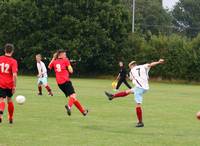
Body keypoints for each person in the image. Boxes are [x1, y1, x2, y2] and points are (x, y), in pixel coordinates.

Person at [105, 59, 164, 127]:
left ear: (132, 66)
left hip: (140, 88)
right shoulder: (143, 66)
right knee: (128, 91)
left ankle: (140, 122)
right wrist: (159, 62)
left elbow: (131, 78)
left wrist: (129, 76)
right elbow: (151, 64)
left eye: (130, 66)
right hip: (144, 87)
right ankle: (112, 96)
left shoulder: (132, 71)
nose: (130, 68)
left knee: (138, 105)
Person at [48, 50, 88, 116]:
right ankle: (69, 107)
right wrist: (70, 69)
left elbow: (49, 67)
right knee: (73, 96)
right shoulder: (65, 60)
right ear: (60, 55)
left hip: (59, 83)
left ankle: (83, 111)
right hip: (66, 81)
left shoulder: (54, 61)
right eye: (64, 54)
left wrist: (53, 58)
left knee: (73, 99)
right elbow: (70, 70)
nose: (65, 55)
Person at [0, 43, 18, 124]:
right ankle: (10, 117)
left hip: (1, 83)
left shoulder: (0, 58)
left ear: (5, 50)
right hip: (9, 84)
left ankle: (0, 114)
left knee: (1, 99)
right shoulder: (13, 61)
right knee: (9, 100)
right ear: (12, 51)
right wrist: (14, 86)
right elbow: (14, 75)